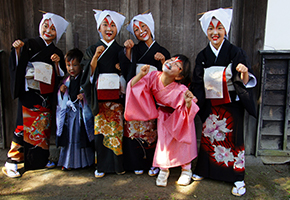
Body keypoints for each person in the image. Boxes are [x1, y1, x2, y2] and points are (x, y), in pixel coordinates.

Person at [189, 8, 257, 196]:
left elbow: (246, 81)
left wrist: (243, 72)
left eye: (219, 27)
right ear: (206, 31)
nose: (215, 32)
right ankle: (204, 170)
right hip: (210, 104)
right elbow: (197, 81)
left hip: (231, 104)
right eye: (210, 28)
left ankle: (237, 177)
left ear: (225, 30)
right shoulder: (203, 56)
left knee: (233, 140)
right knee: (209, 137)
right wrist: (195, 98)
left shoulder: (236, 52)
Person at [3, 12, 69, 178]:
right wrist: (17, 50)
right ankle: (13, 160)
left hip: (45, 94)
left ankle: (41, 159)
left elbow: (61, 74)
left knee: (43, 127)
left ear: (57, 33)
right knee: (22, 126)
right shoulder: (28, 43)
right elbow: (17, 64)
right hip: (29, 91)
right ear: (41, 26)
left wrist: (56, 63)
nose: (48, 30)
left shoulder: (57, 52)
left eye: (53, 29)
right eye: (46, 26)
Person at [124, 55, 199, 187]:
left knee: (182, 142)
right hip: (163, 116)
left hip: (180, 117)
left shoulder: (181, 89)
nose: (171, 63)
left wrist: (188, 102)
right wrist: (140, 75)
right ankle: (164, 170)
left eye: (178, 64)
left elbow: (191, 106)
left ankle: (186, 170)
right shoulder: (153, 76)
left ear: (179, 77)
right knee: (164, 143)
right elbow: (134, 86)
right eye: (171, 59)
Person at [119, 12, 170, 176]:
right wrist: (127, 51)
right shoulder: (134, 49)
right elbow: (127, 69)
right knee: (134, 128)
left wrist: (163, 62)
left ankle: (152, 163)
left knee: (151, 129)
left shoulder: (162, 51)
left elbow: (169, 77)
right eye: (136, 29)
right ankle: (134, 163)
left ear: (150, 27)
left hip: (153, 95)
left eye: (143, 26)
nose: (140, 31)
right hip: (136, 95)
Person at [80, 9, 126, 178]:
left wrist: (122, 70)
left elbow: (127, 74)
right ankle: (100, 166)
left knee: (117, 132)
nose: (109, 28)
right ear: (99, 28)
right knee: (101, 133)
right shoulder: (92, 49)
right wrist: (95, 58)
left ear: (117, 29)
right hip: (99, 99)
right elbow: (87, 74)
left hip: (116, 99)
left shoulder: (120, 50)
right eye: (105, 25)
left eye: (113, 25)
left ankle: (117, 165)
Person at [56, 48, 95, 171]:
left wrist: (83, 97)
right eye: (68, 65)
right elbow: (60, 99)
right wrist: (62, 92)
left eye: (75, 65)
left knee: (81, 137)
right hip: (69, 115)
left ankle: (84, 162)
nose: (71, 69)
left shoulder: (84, 79)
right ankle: (68, 162)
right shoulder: (67, 81)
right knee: (68, 138)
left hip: (80, 114)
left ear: (81, 65)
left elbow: (89, 93)